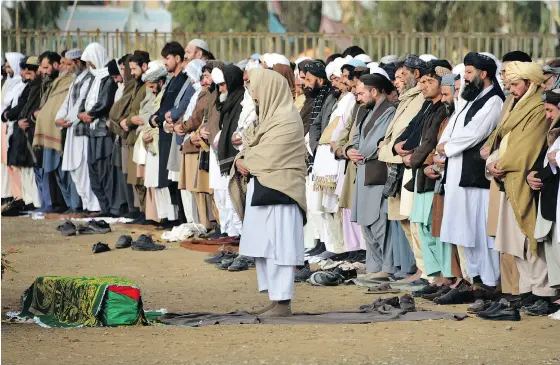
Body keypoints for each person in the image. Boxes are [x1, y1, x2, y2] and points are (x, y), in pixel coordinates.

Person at [230, 68, 307, 317]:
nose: (254, 96)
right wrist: (242, 159)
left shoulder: (287, 119)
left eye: (257, 90)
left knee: (280, 247)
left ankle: (284, 302)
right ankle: (275, 299)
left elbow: (271, 156)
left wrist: (245, 161)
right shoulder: (265, 119)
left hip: (282, 191)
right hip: (262, 188)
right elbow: (251, 148)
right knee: (263, 246)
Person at [487, 62, 558, 310]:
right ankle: (527, 290)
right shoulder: (514, 104)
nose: (512, 89)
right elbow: (501, 138)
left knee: (530, 238)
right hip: (509, 178)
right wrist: (491, 163)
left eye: (516, 84)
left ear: (530, 83)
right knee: (515, 241)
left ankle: (543, 292)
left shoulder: (539, 107)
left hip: (526, 178)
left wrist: (499, 163)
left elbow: (527, 147)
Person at [437, 52, 504, 290]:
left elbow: (476, 133)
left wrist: (448, 147)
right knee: (465, 230)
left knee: (478, 229)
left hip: (474, 175)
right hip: (457, 170)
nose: (465, 77)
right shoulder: (472, 98)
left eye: (469, 72)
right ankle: (475, 279)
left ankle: (489, 281)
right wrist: (442, 148)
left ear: (483, 74)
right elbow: (455, 123)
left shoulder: (494, 100)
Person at [378, 55, 426, 282]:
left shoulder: (419, 99)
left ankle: (423, 271)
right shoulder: (407, 98)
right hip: (396, 164)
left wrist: (389, 150)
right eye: (395, 77)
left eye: (401, 76)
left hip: (407, 165)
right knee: (405, 221)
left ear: (416, 75)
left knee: (412, 220)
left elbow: (407, 137)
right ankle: (420, 269)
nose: (396, 81)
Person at [347, 73, 396, 275]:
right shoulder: (365, 111)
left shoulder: (390, 111)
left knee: (379, 223)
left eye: (361, 93)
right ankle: (374, 268)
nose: (358, 98)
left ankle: (386, 268)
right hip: (364, 170)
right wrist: (351, 149)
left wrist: (359, 152)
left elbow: (377, 141)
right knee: (367, 225)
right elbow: (357, 137)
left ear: (373, 91)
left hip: (377, 171)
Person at [55, 48, 100, 214]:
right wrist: (58, 118)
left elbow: (80, 103)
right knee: (75, 169)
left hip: (82, 130)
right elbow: (67, 102)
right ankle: (87, 205)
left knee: (83, 168)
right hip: (71, 129)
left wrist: (67, 119)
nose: (66, 67)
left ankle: (94, 206)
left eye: (69, 64)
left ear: (78, 62)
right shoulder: (76, 79)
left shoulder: (90, 78)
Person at [148, 42, 189, 224]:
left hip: (174, 134)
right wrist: (155, 119)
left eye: (167, 58)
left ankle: (180, 220)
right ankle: (175, 220)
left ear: (178, 58)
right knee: (168, 179)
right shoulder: (173, 79)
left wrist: (161, 119)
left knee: (176, 179)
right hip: (164, 132)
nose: (165, 62)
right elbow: (162, 107)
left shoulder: (184, 80)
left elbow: (175, 108)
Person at [34, 50, 77, 214]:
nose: (64, 67)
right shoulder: (56, 82)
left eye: (67, 64)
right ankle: (63, 204)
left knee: (65, 172)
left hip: (63, 133)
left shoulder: (71, 81)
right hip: (49, 134)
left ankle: (72, 205)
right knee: (54, 172)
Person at [79, 42, 118, 216]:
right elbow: (85, 101)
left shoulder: (109, 79)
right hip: (92, 130)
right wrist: (82, 113)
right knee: (93, 169)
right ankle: (104, 207)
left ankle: (109, 208)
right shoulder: (94, 79)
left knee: (104, 170)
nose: (90, 66)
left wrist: (90, 114)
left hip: (102, 130)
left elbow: (104, 103)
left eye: (91, 62)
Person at [210, 64, 244, 238]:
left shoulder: (241, 100)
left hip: (237, 158)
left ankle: (238, 239)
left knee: (235, 201)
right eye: (219, 85)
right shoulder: (227, 102)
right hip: (224, 157)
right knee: (224, 198)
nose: (221, 89)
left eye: (223, 84)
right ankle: (230, 235)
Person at [1, 52, 26, 205]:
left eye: (9, 66)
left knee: (14, 165)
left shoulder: (20, 85)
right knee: (6, 165)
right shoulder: (8, 82)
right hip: (6, 126)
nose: (6, 68)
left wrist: (7, 114)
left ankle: (14, 197)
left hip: (13, 126)